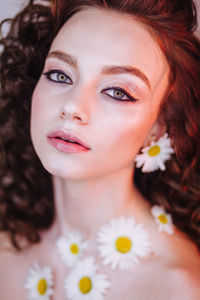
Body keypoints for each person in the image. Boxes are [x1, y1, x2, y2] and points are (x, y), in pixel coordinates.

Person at [0, 0, 200, 299]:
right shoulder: (6, 253)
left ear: (160, 124)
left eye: (118, 92)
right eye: (59, 75)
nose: (72, 107)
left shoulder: (177, 287)